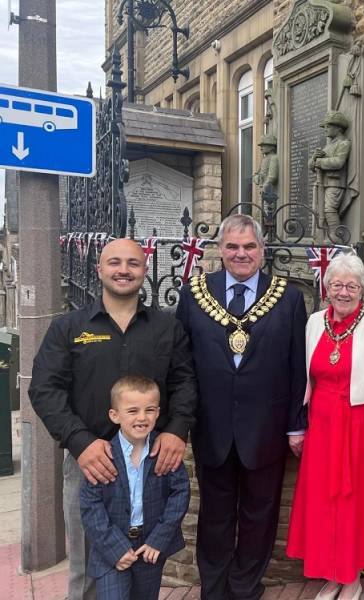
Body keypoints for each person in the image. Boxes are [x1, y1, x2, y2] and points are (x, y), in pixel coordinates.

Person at [29, 238, 197, 600]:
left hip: (151, 465)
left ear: (144, 270)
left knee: (147, 565)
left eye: (133, 263)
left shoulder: (167, 328)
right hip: (91, 463)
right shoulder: (69, 327)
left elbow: (185, 382)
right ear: (99, 269)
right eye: (115, 262)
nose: (124, 270)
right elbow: (45, 389)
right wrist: (80, 442)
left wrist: (176, 431)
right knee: (90, 566)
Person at [176, 213, 307, 600]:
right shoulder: (194, 293)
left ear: (263, 251)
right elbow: (181, 364)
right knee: (214, 518)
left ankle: (246, 587)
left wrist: (295, 425)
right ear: (220, 250)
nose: (241, 254)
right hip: (212, 428)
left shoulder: (288, 297)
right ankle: (214, 591)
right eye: (232, 246)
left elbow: (297, 367)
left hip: (265, 428)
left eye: (249, 246)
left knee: (259, 516)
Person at [287, 254, 364, 600]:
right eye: (337, 285)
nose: (343, 292)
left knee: (356, 501)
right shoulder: (313, 322)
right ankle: (332, 573)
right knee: (325, 502)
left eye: (351, 286)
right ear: (327, 289)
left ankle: (352, 576)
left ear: (362, 291)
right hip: (322, 425)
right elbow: (301, 376)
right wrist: (297, 425)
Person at [80, 375, 190, 600]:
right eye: (132, 411)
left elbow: (180, 494)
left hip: (149, 546)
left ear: (158, 412)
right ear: (115, 415)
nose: (142, 417)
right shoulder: (102, 456)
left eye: (149, 410)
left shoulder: (164, 452)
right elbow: (91, 507)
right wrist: (115, 548)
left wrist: (158, 539)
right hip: (111, 548)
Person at [309, 110, 353, 234]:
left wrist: (319, 162)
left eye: (328, 126)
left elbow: (338, 162)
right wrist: (314, 158)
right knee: (320, 213)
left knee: (329, 210)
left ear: (338, 128)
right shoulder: (328, 146)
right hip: (323, 184)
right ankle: (328, 238)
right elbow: (311, 166)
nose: (325, 129)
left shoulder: (344, 143)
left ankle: (337, 239)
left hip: (335, 183)